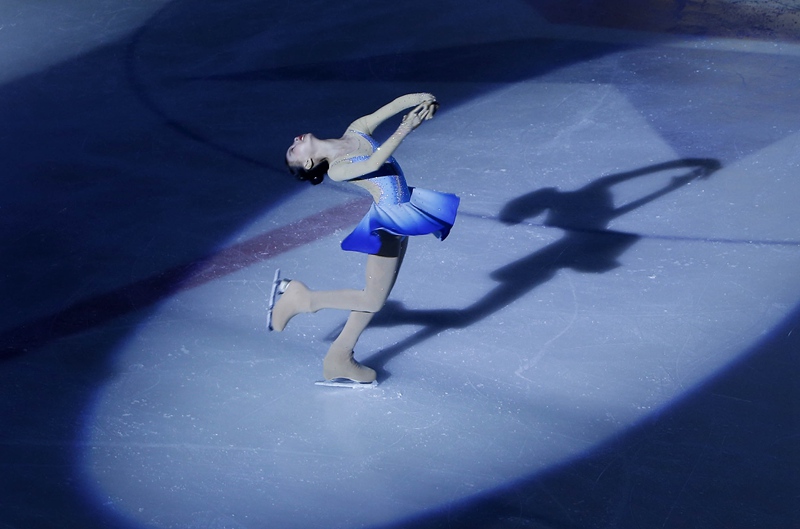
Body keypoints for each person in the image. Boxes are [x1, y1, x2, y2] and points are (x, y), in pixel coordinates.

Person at [269, 93, 460, 384]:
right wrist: (405, 128)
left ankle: (338, 358)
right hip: (387, 223)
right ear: (308, 163)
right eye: (293, 150)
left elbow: (392, 107)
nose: (295, 142)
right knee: (372, 299)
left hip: (404, 212)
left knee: (374, 299)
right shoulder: (337, 170)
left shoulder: (356, 129)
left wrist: (424, 99)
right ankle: (304, 298)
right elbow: (374, 163)